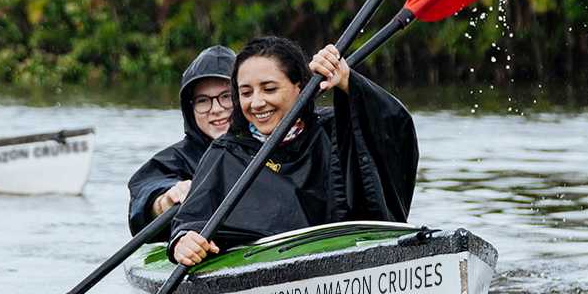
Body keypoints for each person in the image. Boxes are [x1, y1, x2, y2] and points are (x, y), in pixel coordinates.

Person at [168, 36, 419, 266]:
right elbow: (190, 220)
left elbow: (395, 132)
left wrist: (348, 82)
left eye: (269, 89)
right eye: (246, 93)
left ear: (299, 86)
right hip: (263, 268)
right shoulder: (225, 153)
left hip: (348, 259)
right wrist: (183, 241)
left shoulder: (335, 131)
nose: (257, 103)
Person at [126, 45, 236, 234]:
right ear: (190, 109)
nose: (216, 109)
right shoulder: (176, 158)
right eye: (203, 100)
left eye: (226, 97)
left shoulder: (272, 144)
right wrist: (166, 199)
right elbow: (146, 189)